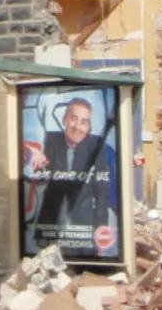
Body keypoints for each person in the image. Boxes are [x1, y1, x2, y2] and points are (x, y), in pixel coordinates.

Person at [23, 96, 117, 256]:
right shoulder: (50, 139)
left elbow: (102, 190)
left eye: (84, 122)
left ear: (89, 127)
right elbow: (22, 148)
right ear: (64, 119)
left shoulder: (97, 147)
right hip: (51, 225)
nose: (77, 127)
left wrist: (101, 229)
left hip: (82, 228)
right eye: (73, 119)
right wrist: (33, 154)